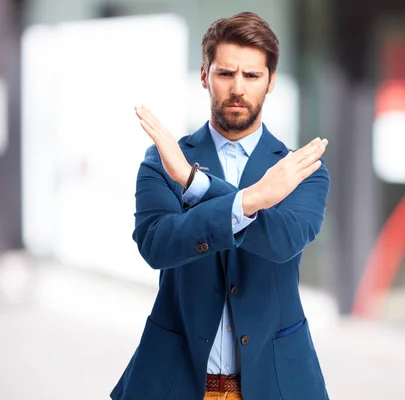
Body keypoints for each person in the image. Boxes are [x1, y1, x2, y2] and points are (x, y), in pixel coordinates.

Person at [110, 11, 330, 400]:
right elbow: (157, 245)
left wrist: (197, 185)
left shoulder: (300, 169)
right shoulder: (164, 159)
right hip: (176, 381)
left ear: (271, 81)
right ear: (204, 76)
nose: (237, 88)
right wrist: (251, 200)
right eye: (226, 73)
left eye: (252, 75)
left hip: (275, 384)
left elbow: (283, 241)